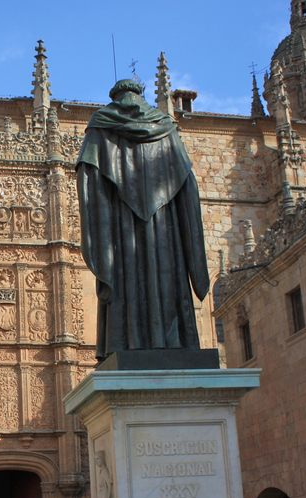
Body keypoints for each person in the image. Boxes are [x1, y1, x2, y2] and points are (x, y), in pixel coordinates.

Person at [77, 79, 210, 360]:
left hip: (123, 235)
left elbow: (90, 187)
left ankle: (126, 343)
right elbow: (188, 188)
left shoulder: (101, 128)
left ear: (115, 98)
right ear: (140, 97)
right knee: (166, 277)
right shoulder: (167, 131)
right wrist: (193, 252)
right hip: (166, 233)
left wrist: (100, 244)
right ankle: (175, 343)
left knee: (128, 281)